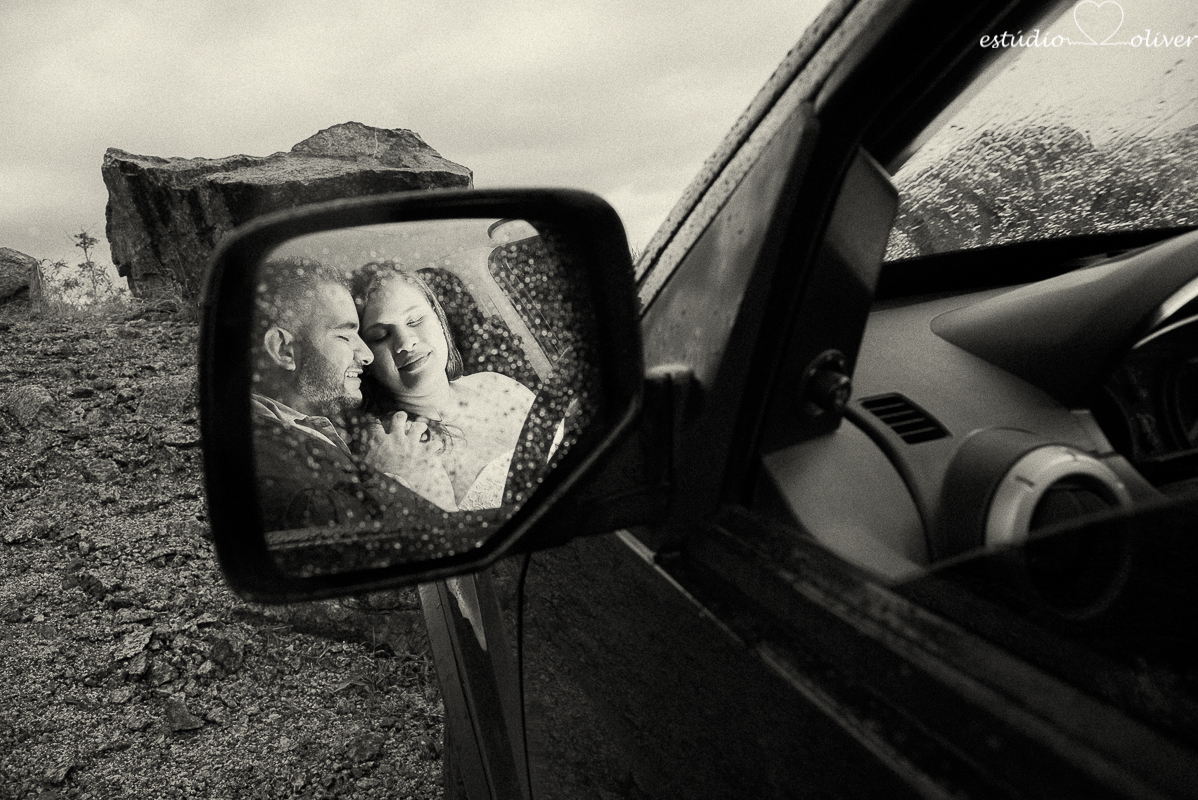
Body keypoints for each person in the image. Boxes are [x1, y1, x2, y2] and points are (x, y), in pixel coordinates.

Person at [251, 258, 464, 564]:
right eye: (344, 335)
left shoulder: (309, 429)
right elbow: (341, 552)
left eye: (416, 320)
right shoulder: (260, 456)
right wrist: (395, 475)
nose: (365, 355)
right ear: (284, 350)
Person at [352, 264, 536, 511]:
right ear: (366, 360)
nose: (406, 342)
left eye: (415, 320)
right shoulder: (400, 449)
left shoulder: (496, 383)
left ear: (439, 319)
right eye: (381, 336)